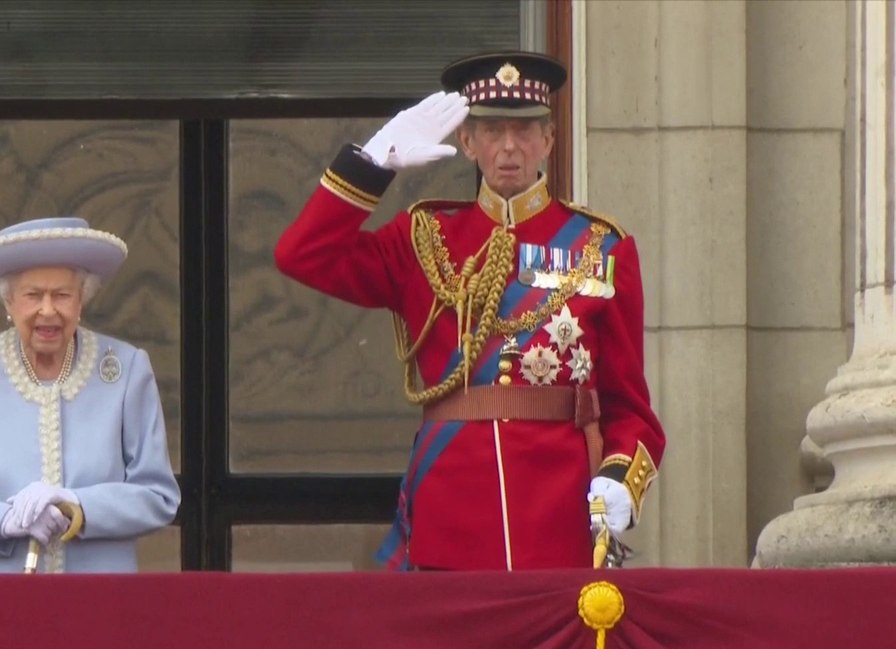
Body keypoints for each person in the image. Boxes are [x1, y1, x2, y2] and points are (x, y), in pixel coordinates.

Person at [274, 51, 665, 572]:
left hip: (557, 518)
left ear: (548, 140)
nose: (509, 147)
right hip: (450, 514)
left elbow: (630, 409)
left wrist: (619, 478)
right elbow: (301, 256)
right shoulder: (423, 239)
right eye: (491, 130)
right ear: (466, 142)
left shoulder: (599, 248)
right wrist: (370, 165)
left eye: (525, 131)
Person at [0, 217, 180, 574]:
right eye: (33, 295)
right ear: (8, 301)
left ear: (81, 300)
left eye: (62, 295)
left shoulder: (127, 368)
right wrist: (2, 522)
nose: (48, 310)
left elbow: (158, 496)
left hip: (99, 600)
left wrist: (78, 505)